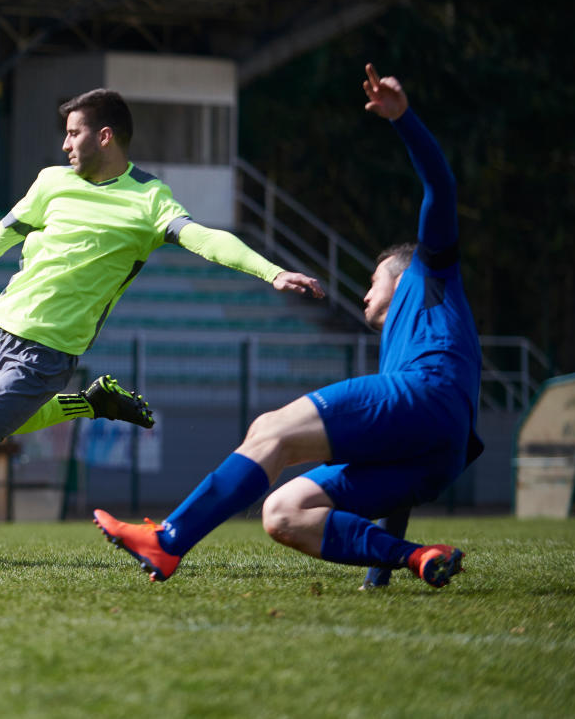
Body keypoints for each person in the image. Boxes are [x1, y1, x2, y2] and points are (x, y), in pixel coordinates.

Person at [0, 88, 324, 577]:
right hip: (0, 329)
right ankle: (92, 403)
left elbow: (203, 237)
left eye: (74, 133)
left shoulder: (148, 199)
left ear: (105, 136)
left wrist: (270, 272)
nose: (65, 144)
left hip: (48, 352)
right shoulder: (51, 182)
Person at [93, 64, 483, 588]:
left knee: (270, 431)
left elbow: (440, 185)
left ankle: (168, 542)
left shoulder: (429, 269)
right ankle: (418, 558)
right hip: (440, 453)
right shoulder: (406, 343)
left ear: (400, 271)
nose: (366, 292)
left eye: (372, 279)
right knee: (283, 512)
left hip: (428, 399)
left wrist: (403, 119)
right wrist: (379, 577)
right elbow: (400, 477)